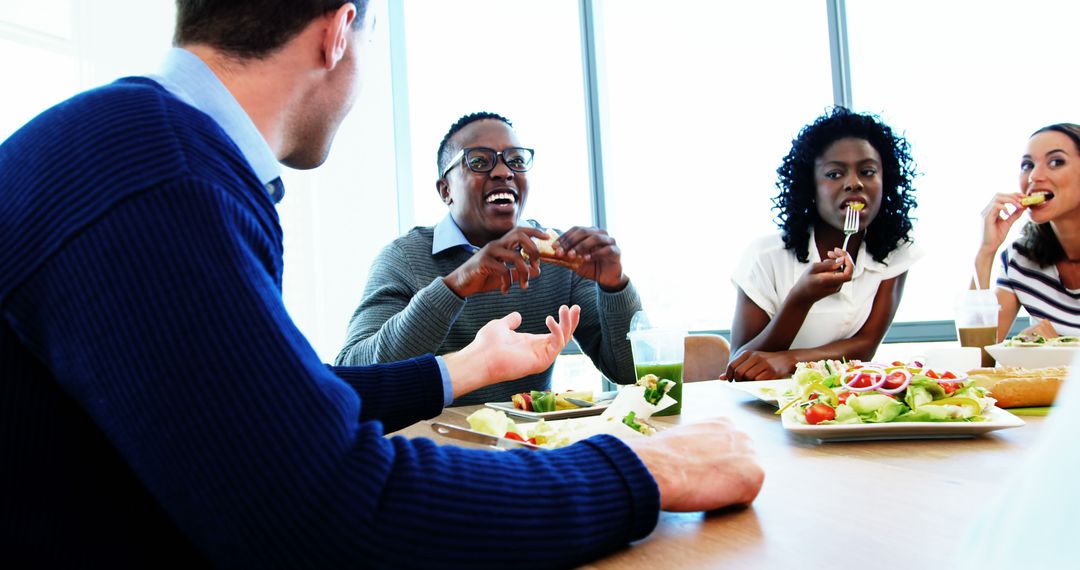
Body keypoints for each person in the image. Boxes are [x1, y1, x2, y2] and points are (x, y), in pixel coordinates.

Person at [0, 1, 764, 567]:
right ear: (339, 32)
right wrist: (643, 470)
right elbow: (324, 509)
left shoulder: (140, 148)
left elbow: (285, 406)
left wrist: (465, 368)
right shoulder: (160, 177)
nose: (503, 175)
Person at [336, 111, 641, 405]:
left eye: (517, 161)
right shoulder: (404, 258)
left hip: (529, 447)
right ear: (446, 190)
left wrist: (615, 285)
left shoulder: (562, 263)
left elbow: (632, 373)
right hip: (431, 447)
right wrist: (455, 286)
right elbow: (351, 375)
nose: (503, 171)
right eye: (479, 161)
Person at [725, 107, 922, 381]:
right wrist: (800, 299)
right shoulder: (765, 257)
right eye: (834, 174)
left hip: (841, 403)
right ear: (810, 187)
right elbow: (738, 366)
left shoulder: (895, 248)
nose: (854, 183)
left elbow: (865, 346)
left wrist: (790, 360)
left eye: (867, 171)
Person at [974, 123, 1080, 340]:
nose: (1034, 176)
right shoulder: (1020, 259)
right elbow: (978, 356)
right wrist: (986, 253)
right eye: (1027, 165)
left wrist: (1057, 347)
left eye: (1056, 162)